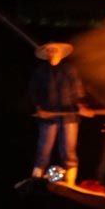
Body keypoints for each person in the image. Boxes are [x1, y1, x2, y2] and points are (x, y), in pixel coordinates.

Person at [27, 41, 91, 186]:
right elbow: (34, 91)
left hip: (69, 115)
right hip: (48, 115)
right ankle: (36, 178)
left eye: (55, 50)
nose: (53, 53)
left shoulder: (69, 70)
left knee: (69, 148)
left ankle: (70, 181)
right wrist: (39, 109)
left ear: (61, 54)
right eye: (50, 50)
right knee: (44, 147)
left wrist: (81, 105)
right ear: (47, 54)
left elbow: (77, 89)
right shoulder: (40, 71)